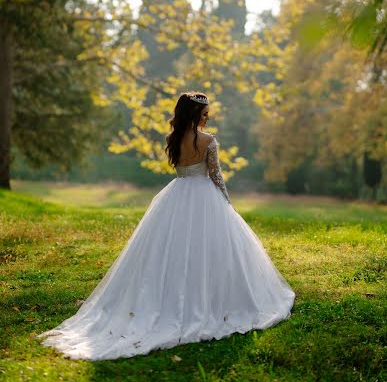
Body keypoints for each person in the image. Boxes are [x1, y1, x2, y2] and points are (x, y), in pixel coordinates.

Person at [36, 91, 295, 361]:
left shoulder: (172, 139)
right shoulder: (208, 141)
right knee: (209, 249)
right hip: (204, 196)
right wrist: (226, 203)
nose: (208, 118)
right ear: (195, 114)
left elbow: (181, 168)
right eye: (204, 114)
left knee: (172, 248)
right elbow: (216, 175)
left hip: (177, 194)